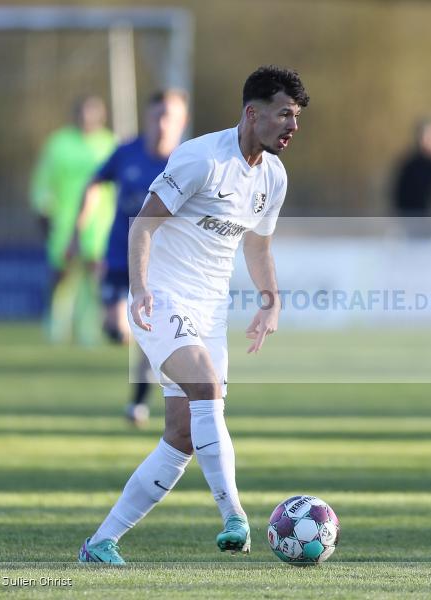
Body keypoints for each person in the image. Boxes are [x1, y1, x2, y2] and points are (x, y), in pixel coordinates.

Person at [78, 66, 309, 564]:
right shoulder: (201, 158)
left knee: (182, 434)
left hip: (209, 311)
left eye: (296, 117)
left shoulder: (273, 176)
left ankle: (100, 543)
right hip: (162, 299)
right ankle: (234, 516)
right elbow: (142, 227)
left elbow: (258, 245)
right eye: (284, 115)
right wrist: (139, 290)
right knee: (208, 388)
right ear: (252, 113)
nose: (293, 126)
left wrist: (271, 299)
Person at [71, 90, 190, 427]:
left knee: (146, 331)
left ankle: (137, 403)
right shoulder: (126, 153)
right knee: (116, 329)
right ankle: (127, 335)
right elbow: (93, 184)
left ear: (183, 122)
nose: (162, 123)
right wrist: (76, 233)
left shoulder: (188, 161)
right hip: (119, 256)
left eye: (170, 116)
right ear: (148, 117)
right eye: (157, 115)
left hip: (162, 264)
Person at [30, 95, 116, 345]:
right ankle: (56, 329)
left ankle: (89, 332)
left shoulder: (110, 144)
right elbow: (43, 182)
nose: (87, 118)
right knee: (62, 275)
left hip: (100, 224)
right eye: (83, 112)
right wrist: (44, 210)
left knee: (96, 277)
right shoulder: (59, 143)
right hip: (65, 221)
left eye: (93, 112)